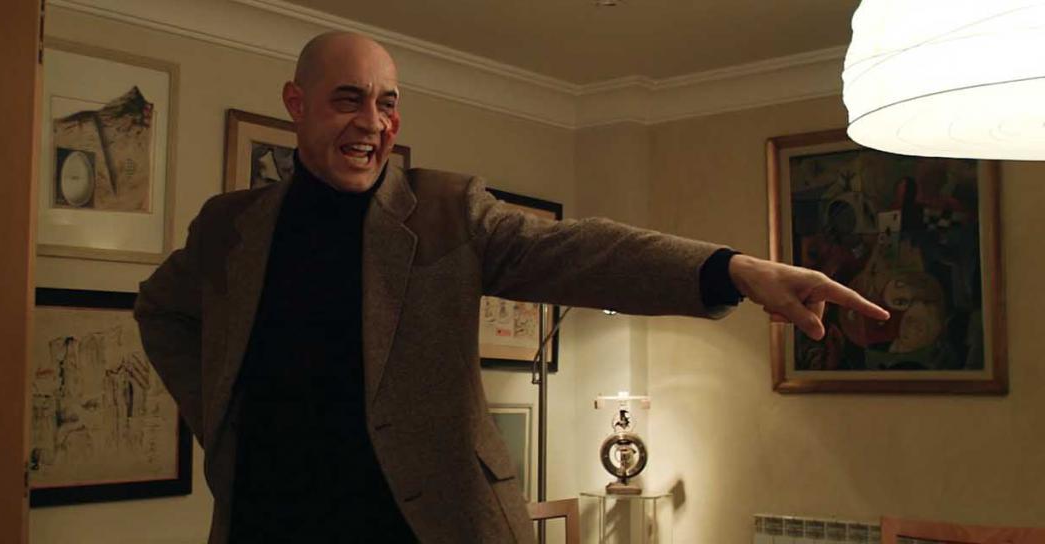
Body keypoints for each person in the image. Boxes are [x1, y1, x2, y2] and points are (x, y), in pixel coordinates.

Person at [134, 31, 889, 544]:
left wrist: (734, 269)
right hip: (270, 521)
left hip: (429, 525)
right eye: (348, 99)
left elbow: (583, 250)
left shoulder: (445, 211)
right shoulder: (230, 228)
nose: (373, 122)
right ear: (297, 104)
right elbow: (161, 311)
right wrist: (221, 421)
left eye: (387, 102)